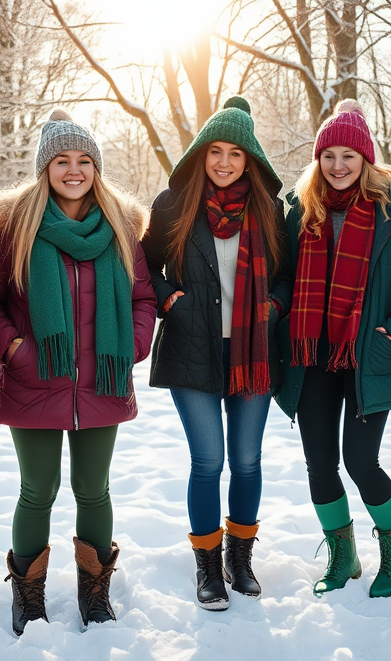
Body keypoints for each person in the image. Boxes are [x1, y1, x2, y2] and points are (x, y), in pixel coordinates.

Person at [0, 110, 156, 635]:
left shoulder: (121, 228)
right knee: (37, 489)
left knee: (93, 489)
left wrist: (131, 344)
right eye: (62, 160)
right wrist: (15, 349)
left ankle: (94, 591)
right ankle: (28, 594)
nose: (74, 170)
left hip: (101, 380)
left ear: (96, 168)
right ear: (45, 168)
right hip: (34, 379)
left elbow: (142, 296)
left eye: (84, 160)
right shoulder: (15, 227)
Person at [276, 100, 391, 598]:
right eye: (329, 156)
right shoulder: (301, 209)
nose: (338, 166)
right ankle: (343, 555)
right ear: (318, 160)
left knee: (361, 461)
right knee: (320, 463)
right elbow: (282, 274)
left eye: (349, 156)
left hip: (369, 354)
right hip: (312, 354)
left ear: (366, 160)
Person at [142, 96, 291, 610]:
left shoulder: (272, 210)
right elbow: (144, 265)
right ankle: (207, 567)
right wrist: (169, 299)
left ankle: (239, 560)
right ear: (201, 155)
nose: (224, 162)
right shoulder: (172, 205)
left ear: (250, 160)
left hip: (255, 351)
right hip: (192, 350)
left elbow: (291, 275)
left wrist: (274, 303)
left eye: (235, 153)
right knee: (208, 460)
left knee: (247, 461)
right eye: (215, 152)